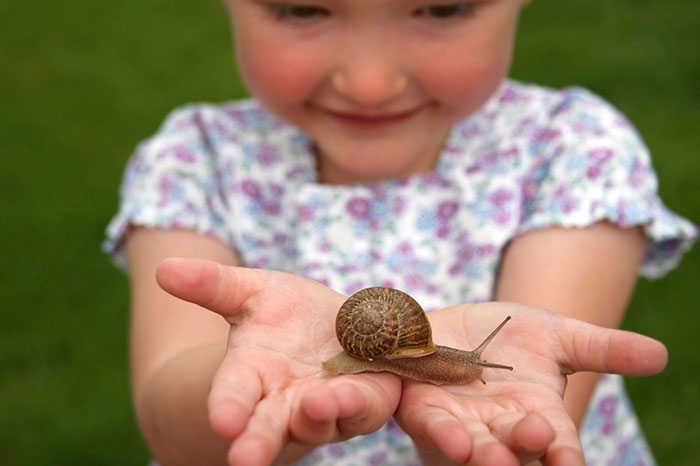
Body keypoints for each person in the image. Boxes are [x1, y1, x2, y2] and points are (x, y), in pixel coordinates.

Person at [104, 0, 696, 465]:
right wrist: (263, 386)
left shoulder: (573, 151)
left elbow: (530, 400)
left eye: (442, 9)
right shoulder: (195, 161)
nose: (370, 82)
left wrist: (462, 443)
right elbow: (170, 429)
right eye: (300, 9)